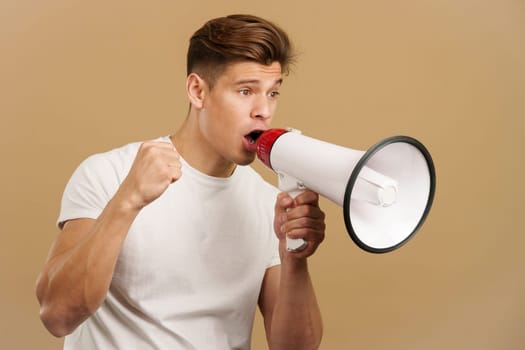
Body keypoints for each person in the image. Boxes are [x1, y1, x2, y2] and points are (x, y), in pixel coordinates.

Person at [36, 14, 326, 350]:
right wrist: (127, 201)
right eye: (245, 90)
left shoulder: (266, 202)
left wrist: (294, 256)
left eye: (272, 93)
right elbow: (57, 315)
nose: (263, 110)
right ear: (197, 91)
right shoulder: (109, 174)